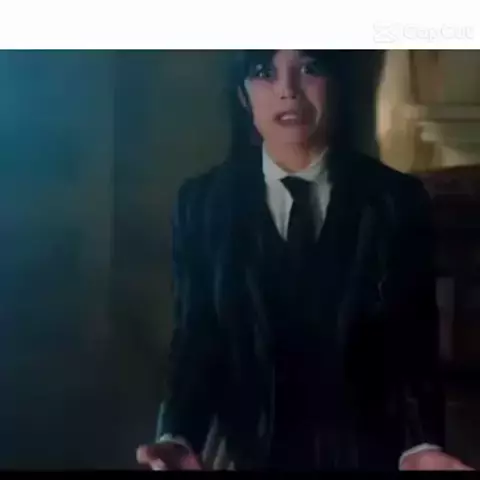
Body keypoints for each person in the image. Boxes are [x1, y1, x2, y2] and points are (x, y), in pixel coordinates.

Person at [137, 50, 473, 471]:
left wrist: (420, 444)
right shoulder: (203, 204)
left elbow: (412, 343)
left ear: (338, 83)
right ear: (242, 94)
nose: (288, 91)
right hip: (243, 455)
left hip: (364, 457)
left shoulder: (395, 200)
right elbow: (195, 337)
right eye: (265, 72)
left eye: (309, 68)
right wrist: (177, 434)